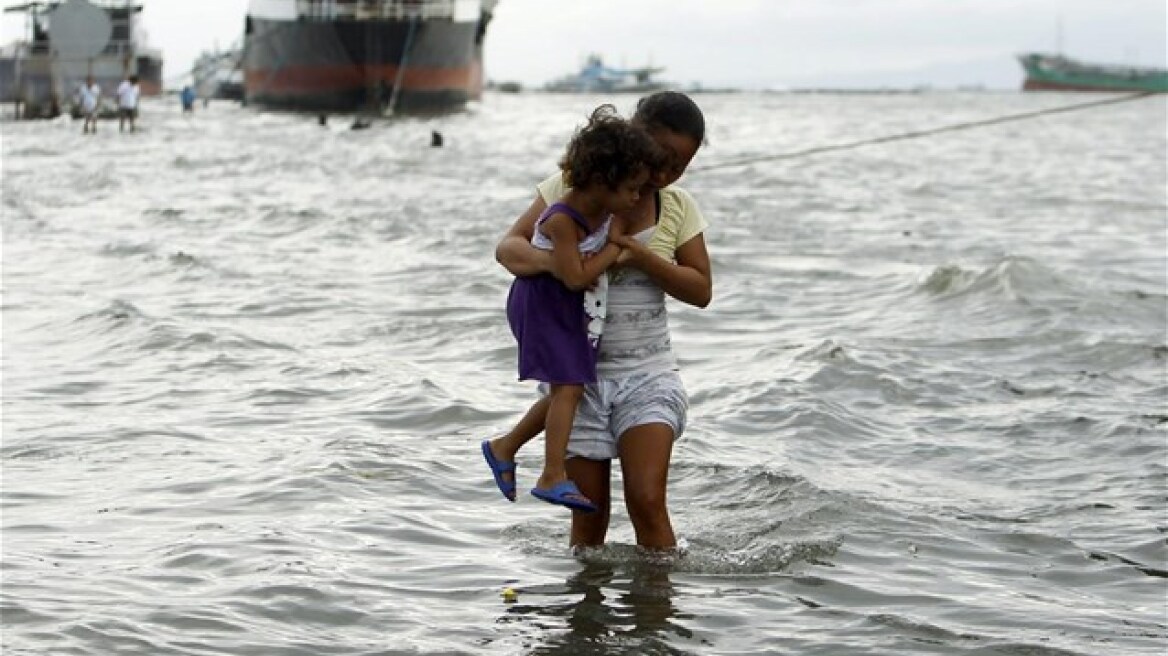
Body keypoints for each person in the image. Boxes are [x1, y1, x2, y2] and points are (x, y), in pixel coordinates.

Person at [484, 91, 710, 550]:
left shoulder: (677, 206)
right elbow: (508, 248)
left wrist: (642, 255)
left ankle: (658, 616)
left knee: (647, 502)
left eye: (679, 166)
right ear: (633, 136)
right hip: (578, 383)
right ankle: (585, 616)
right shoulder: (576, 188)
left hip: (648, 376)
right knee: (589, 523)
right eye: (660, 158)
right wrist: (558, 266)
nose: (665, 174)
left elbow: (701, 290)